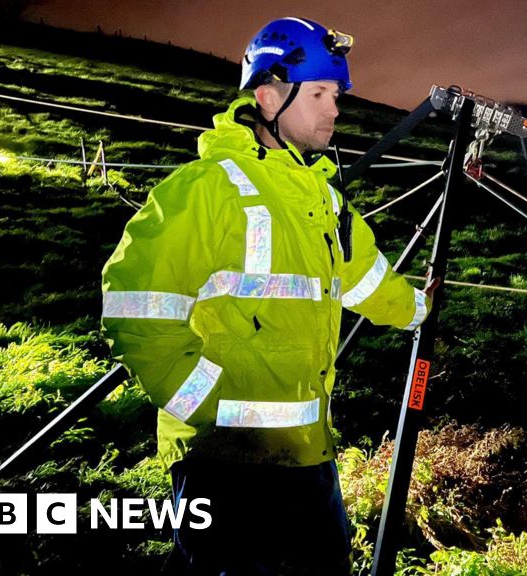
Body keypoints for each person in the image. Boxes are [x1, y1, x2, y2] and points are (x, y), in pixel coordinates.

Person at [101, 16, 435, 575]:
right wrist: (208, 408)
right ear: (268, 96)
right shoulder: (206, 189)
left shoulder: (322, 199)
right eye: (321, 93)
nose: (335, 109)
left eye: (336, 94)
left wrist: (421, 309)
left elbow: (364, 279)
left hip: (308, 455)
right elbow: (137, 310)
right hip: (225, 467)